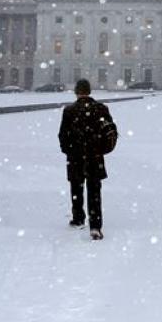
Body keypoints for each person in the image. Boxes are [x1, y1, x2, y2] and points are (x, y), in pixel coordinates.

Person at [58, 79, 117, 240]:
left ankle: (78, 218)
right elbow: (110, 132)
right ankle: (95, 226)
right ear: (89, 91)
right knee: (94, 192)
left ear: (76, 92)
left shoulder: (69, 111)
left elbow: (63, 135)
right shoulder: (101, 109)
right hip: (94, 156)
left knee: (76, 189)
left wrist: (69, 151)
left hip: (76, 156)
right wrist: (101, 150)